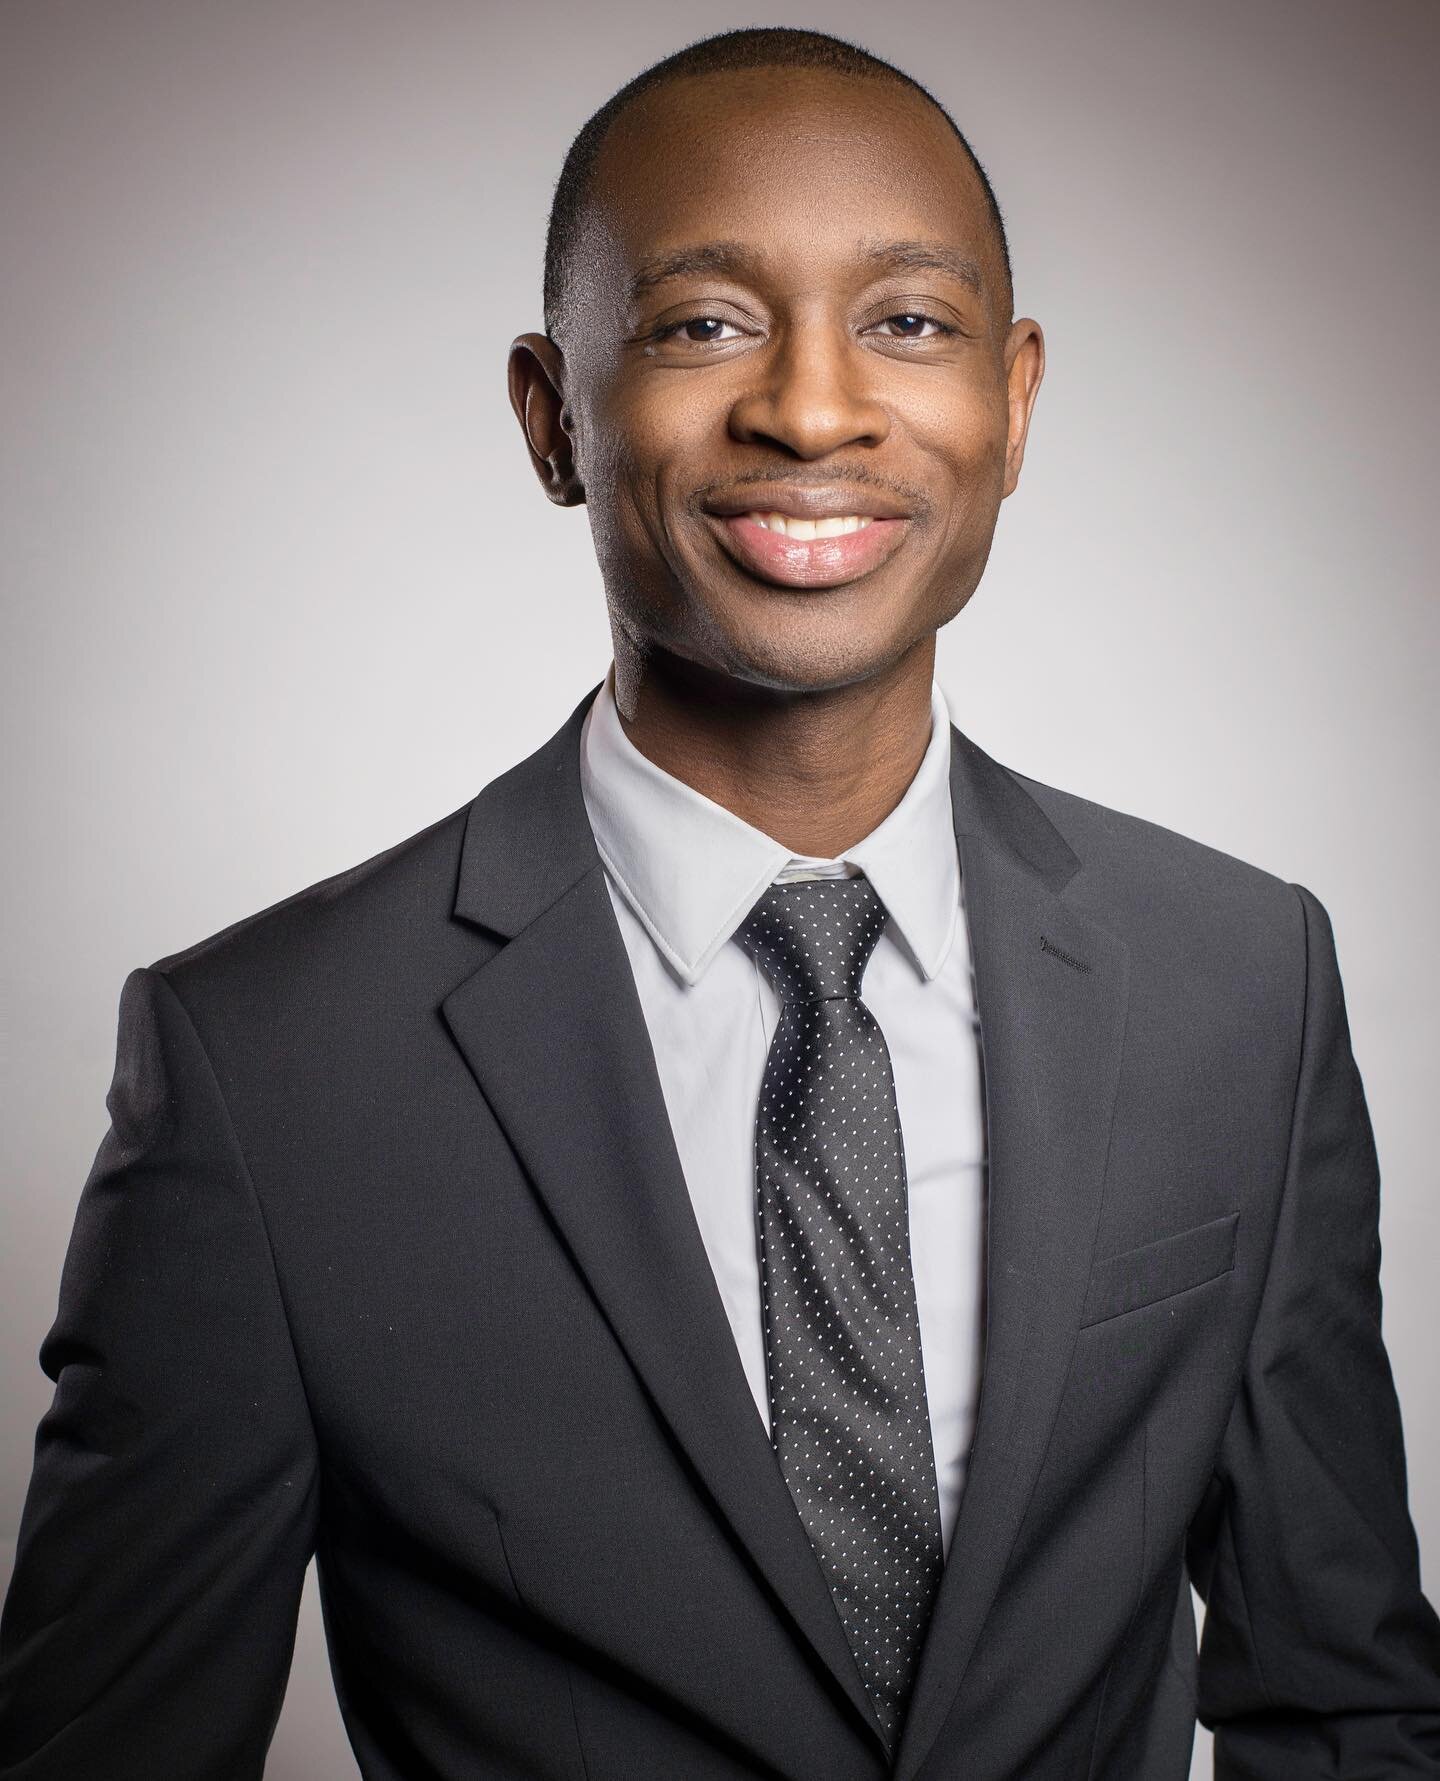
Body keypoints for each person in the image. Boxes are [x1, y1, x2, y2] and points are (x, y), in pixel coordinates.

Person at [1, 22, 1437, 1780]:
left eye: (908, 321)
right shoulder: (263, 1071)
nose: (815, 408)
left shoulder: (1241, 981)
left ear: (1018, 399)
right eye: (703, 323)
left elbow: (1351, 1702)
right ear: (550, 416)